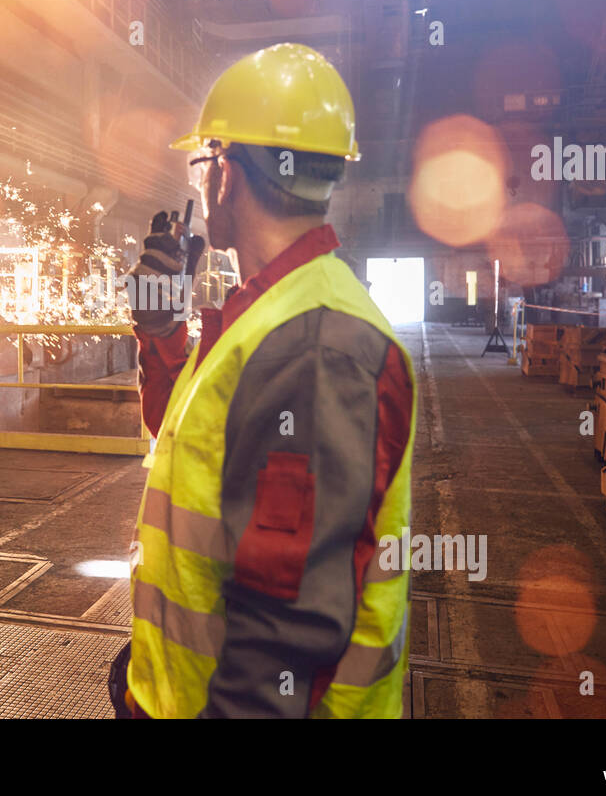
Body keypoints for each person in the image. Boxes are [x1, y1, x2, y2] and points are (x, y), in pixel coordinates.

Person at [121, 43, 417, 718]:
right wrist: (163, 332)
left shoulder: (317, 344)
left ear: (224, 175)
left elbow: (287, 644)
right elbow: (193, 445)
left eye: (204, 164)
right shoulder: (267, 315)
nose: (200, 184)